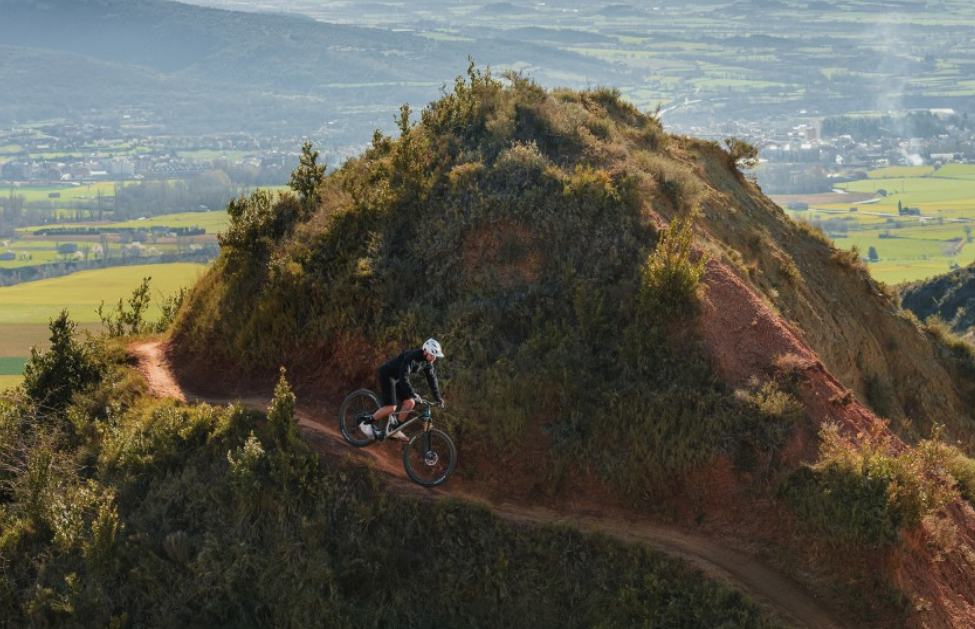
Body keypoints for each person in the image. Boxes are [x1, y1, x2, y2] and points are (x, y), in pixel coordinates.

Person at [359, 338, 445, 441]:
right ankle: (365, 423)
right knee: (391, 408)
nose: (434, 358)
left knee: (410, 403)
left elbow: (432, 379)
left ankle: (394, 430)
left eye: (435, 356)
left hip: (398, 379)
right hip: (387, 375)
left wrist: (438, 398)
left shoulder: (427, 362)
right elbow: (404, 376)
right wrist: (412, 393)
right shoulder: (412, 357)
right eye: (432, 355)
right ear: (425, 351)